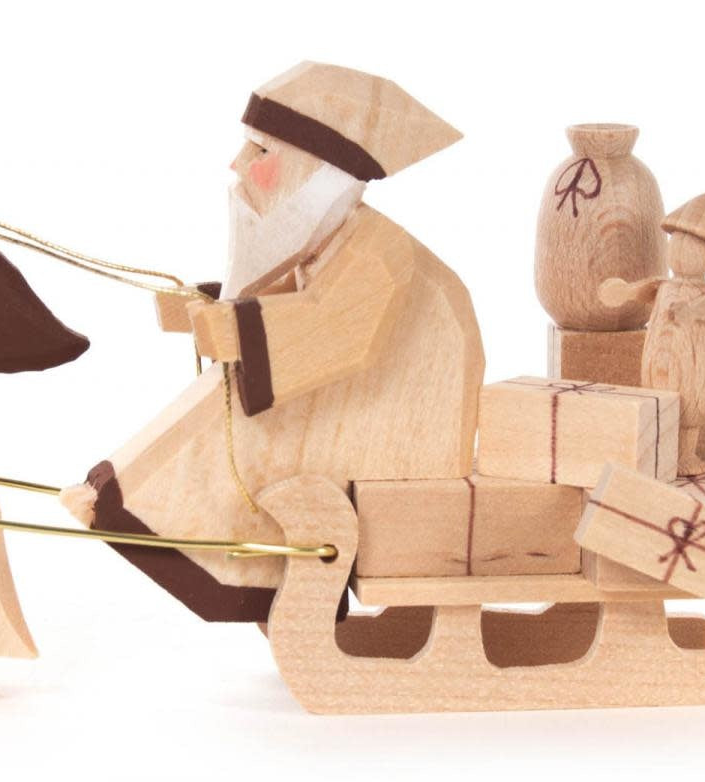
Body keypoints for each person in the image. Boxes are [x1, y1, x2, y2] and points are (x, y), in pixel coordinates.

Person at [63, 62, 484, 623]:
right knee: (224, 393)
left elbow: (331, 332)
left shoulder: (380, 255)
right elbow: (290, 304)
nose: (238, 165)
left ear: (319, 173)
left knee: (236, 424)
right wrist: (208, 310)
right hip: (359, 404)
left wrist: (234, 327)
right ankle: (118, 495)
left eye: (261, 151)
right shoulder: (332, 240)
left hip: (396, 428)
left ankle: (145, 519)